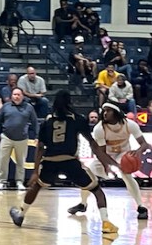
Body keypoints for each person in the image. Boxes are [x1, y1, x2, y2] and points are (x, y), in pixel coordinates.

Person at [10, 90, 116, 233]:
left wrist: (35, 172)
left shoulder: (47, 121)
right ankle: (106, 223)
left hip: (50, 162)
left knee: (36, 186)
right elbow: (92, 143)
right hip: (70, 161)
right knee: (97, 190)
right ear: (69, 102)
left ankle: (21, 214)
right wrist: (104, 162)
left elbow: (40, 148)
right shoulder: (77, 119)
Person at [79, 102, 149, 220]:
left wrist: (138, 151)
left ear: (116, 112)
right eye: (104, 111)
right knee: (88, 174)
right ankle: (83, 204)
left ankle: (141, 206)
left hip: (123, 154)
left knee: (127, 176)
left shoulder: (130, 124)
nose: (105, 113)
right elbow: (101, 153)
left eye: (108, 111)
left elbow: (144, 144)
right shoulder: (99, 129)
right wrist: (112, 165)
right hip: (107, 155)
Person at [0, 88, 38, 190]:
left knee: (21, 162)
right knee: (3, 161)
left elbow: (35, 122)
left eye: (18, 94)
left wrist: (37, 136)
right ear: (11, 96)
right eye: (14, 94)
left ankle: (19, 182)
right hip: (6, 137)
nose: (16, 96)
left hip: (22, 138)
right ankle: (2, 182)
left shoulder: (29, 108)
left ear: (22, 96)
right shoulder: (6, 106)